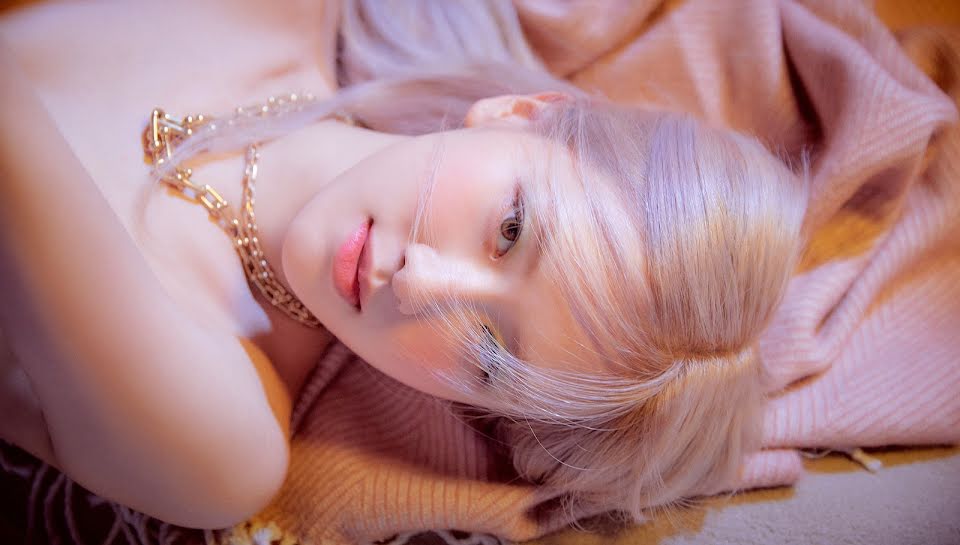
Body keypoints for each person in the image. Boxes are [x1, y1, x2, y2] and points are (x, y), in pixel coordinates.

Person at [0, 0, 806, 531]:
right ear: (525, 114)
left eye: (490, 356)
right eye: (511, 231)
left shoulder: (221, 442)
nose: (420, 284)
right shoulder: (273, 15)